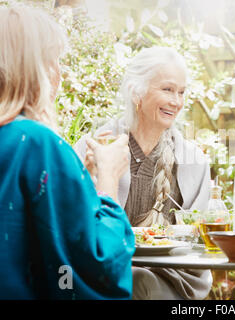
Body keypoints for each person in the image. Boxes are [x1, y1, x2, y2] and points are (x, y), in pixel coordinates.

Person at [0, 5, 134, 299]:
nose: (60, 73)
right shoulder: (36, 142)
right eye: (52, 60)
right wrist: (108, 180)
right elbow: (96, 261)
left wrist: (77, 179)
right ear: (31, 68)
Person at [74, 46, 212, 300]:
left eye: (181, 92)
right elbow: (73, 229)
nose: (177, 101)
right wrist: (91, 175)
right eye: (167, 89)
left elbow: (200, 242)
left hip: (172, 281)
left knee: (138, 280)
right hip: (103, 275)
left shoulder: (194, 160)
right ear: (136, 91)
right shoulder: (93, 148)